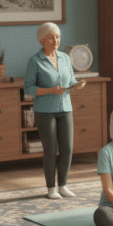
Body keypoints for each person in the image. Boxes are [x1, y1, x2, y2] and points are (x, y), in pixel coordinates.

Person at [24, 22, 87, 200]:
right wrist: (50, 90)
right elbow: (28, 88)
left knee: (67, 148)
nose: (56, 40)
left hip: (65, 108)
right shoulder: (35, 61)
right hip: (45, 111)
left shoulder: (65, 58)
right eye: (51, 37)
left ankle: (63, 186)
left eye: (58, 36)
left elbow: (70, 80)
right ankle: (51, 188)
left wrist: (77, 84)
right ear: (42, 40)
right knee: (50, 150)